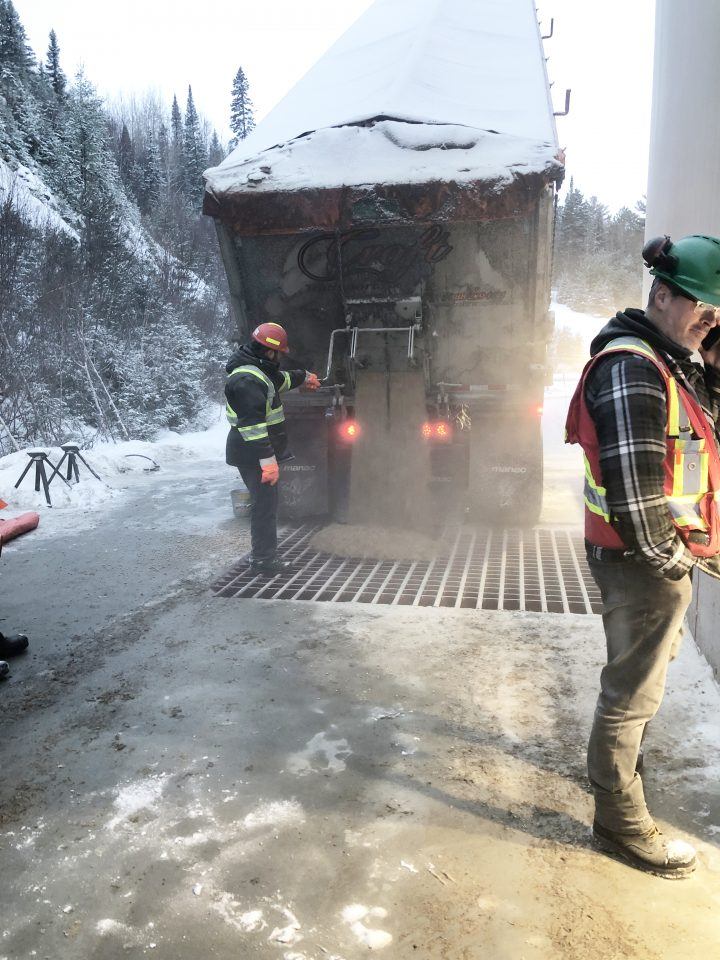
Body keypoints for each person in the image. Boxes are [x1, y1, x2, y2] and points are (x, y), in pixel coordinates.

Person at [565, 234, 720, 878]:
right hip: (642, 562)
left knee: (638, 686)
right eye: (702, 306)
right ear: (661, 294)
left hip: (650, 561)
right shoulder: (634, 366)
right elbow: (636, 491)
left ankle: (620, 771)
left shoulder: (672, 358)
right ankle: (618, 820)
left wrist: (710, 358)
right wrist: (674, 566)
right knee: (632, 692)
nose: (711, 318)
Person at [225, 322, 320, 575]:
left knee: (266, 504)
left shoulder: (258, 370)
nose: (280, 358)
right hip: (252, 454)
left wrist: (305, 377)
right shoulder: (246, 380)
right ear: (270, 351)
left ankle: (263, 557)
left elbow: (281, 380)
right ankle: (263, 560)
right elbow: (253, 427)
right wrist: (267, 463)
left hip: (254, 453)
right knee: (264, 507)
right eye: (279, 353)